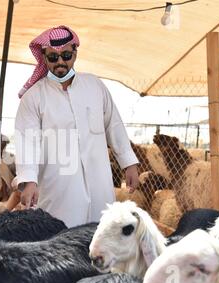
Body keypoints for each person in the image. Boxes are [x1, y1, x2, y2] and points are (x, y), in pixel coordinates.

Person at [15, 25, 140, 228]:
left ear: (75, 53)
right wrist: (29, 180)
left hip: (100, 187)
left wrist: (129, 163)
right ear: (44, 58)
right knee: (62, 243)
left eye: (66, 55)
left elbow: (114, 124)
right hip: (59, 191)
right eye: (53, 57)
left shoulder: (95, 86)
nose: (60, 62)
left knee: (101, 241)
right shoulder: (33, 98)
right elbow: (26, 141)